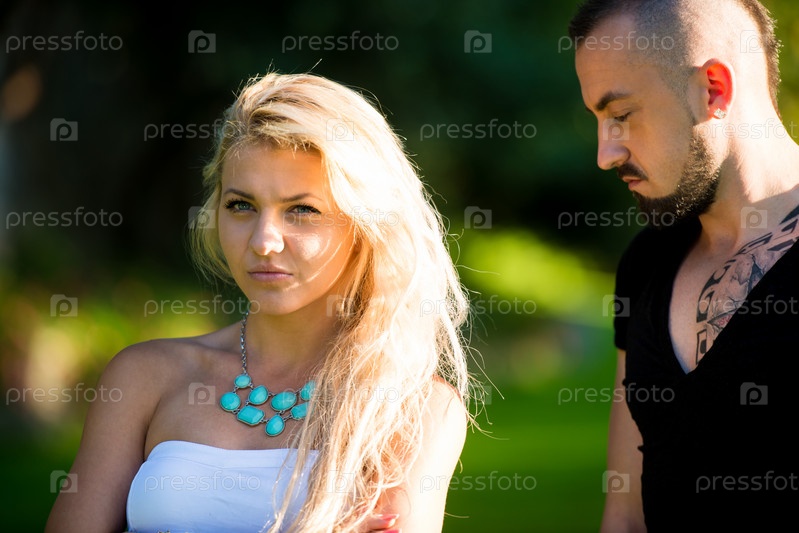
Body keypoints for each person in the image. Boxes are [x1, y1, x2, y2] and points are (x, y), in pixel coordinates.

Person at [45, 71, 474, 532]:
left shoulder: (410, 408)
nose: (264, 241)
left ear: (366, 226)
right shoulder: (145, 376)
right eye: (242, 206)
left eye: (302, 210)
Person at [568, 0, 799, 531]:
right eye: (598, 121)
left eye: (621, 115)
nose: (605, 154)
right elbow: (625, 517)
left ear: (713, 89)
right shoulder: (647, 263)